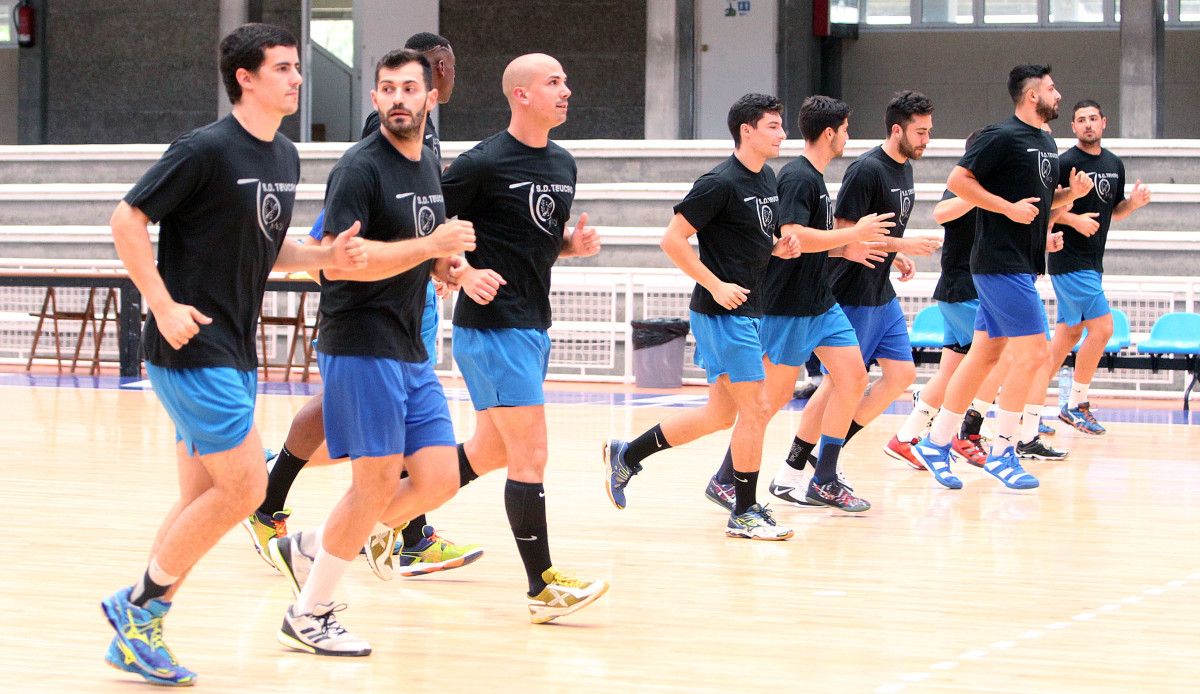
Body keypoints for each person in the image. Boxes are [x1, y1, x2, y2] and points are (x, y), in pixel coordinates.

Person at [101, 23, 366, 684]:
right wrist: (161, 304)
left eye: (297, 68)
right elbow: (126, 220)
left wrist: (325, 258)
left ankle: (140, 628)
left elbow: (270, 248)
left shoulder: (284, 157)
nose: (297, 78)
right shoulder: (205, 150)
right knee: (247, 488)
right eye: (282, 68)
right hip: (192, 344)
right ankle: (134, 607)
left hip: (235, 349)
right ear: (245, 78)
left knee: (200, 499)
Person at [244, 32, 482, 579]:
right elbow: (332, 255)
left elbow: (422, 234)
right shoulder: (366, 161)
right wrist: (426, 249)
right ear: (376, 97)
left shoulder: (428, 154)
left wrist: (449, 267)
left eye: (414, 85)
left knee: (432, 472)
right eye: (389, 87)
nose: (403, 95)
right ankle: (336, 563)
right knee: (373, 470)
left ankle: (312, 534)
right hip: (364, 327)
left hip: (406, 323)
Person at [384, 52, 608, 623]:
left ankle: (380, 519)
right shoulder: (481, 163)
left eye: (565, 79)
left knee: (491, 450)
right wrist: (460, 271)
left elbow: (531, 237)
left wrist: (569, 246)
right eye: (554, 81)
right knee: (531, 452)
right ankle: (542, 588)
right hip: (493, 327)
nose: (567, 89)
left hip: (533, 324)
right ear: (521, 95)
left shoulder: (563, 163)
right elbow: (426, 229)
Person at [603, 93, 801, 539]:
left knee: (719, 415)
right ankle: (745, 511)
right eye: (773, 126)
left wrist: (776, 248)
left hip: (750, 309)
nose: (782, 134)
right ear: (746, 131)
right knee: (758, 407)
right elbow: (672, 240)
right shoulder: (718, 183)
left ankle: (628, 455)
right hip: (721, 313)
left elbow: (747, 237)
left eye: (781, 125)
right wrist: (715, 284)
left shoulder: (766, 177)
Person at [703, 95, 893, 513]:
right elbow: (794, 237)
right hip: (787, 306)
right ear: (830, 133)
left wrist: (847, 251)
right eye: (845, 129)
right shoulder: (797, 177)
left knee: (854, 377)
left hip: (820, 303)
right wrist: (850, 236)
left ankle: (823, 478)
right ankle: (724, 479)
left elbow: (811, 244)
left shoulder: (816, 178)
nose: (847, 136)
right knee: (766, 403)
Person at [912, 64, 1093, 489]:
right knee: (1034, 355)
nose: (1059, 95)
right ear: (1032, 96)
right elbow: (958, 180)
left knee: (984, 356)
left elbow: (1042, 203)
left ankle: (935, 443)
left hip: (1021, 263)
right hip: (998, 263)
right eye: (1052, 88)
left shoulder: (1046, 142)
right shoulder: (1001, 135)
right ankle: (1004, 451)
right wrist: (1004, 208)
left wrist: (1072, 196)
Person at [786, 91, 941, 485]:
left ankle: (825, 453)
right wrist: (902, 246)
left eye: (928, 131)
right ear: (897, 130)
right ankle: (798, 462)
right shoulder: (866, 170)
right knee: (842, 382)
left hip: (880, 288)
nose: (926, 139)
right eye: (920, 132)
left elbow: (880, 234)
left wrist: (895, 254)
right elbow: (842, 235)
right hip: (852, 290)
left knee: (901, 374)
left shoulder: (904, 167)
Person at [1028, 99, 1151, 437]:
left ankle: (1029, 408)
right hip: (1070, 260)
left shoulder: (1114, 163)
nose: (1087, 124)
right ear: (1073, 126)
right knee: (1103, 328)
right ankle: (1075, 403)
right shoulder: (1064, 161)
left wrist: (1134, 205)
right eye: (1080, 119)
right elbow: (1044, 206)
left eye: (1093, 119)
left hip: (1093, 263)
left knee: (1066, 337)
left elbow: (1115, 211)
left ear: (1104, 122)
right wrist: (1073, 218)